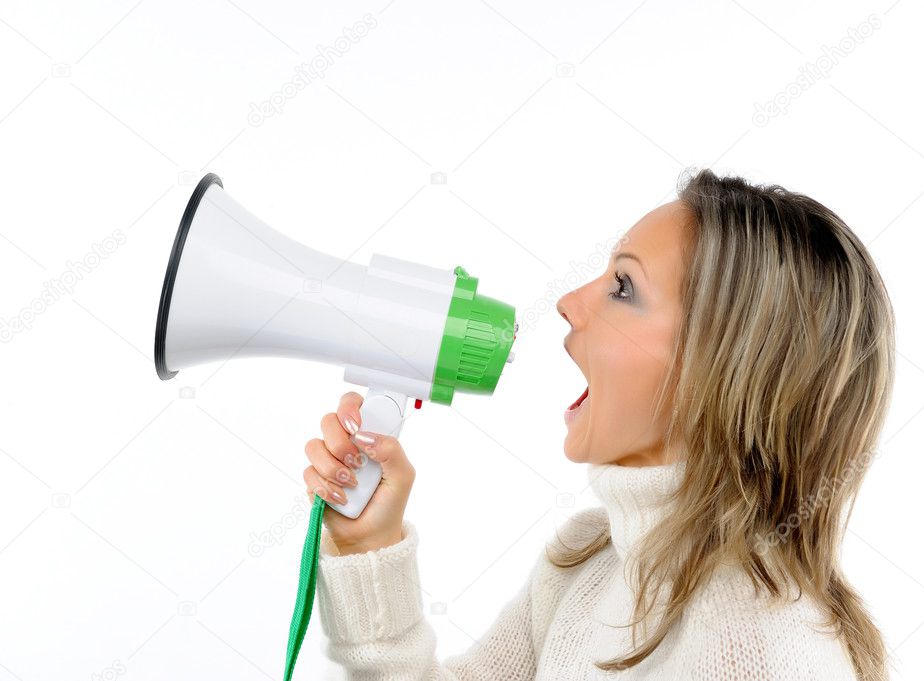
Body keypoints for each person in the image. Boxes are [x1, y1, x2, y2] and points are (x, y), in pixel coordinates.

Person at [302, 167, 893, 680]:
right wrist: (368, 546)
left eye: (623, 287)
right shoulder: (586, 562)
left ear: (727, 369)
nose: (570, 302)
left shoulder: (762, 650)